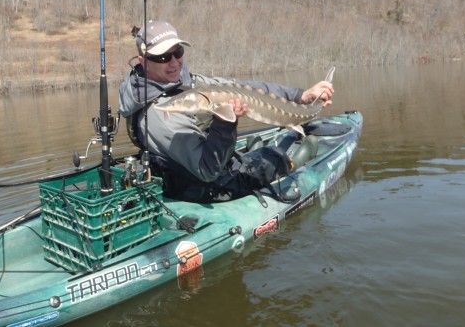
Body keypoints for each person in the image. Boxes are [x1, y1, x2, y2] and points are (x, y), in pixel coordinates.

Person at [118, 20, 333, 203]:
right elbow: (208, 171)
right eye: (163, 57)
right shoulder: (160, 115)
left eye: (178, 52)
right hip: (204, 186)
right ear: (143, 62)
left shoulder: (184, 83)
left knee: (253, 151)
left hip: (204, 162)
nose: (174, 62)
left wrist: (300, 96)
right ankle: (295, 159)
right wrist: (225, 122)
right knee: (273, 157)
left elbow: (244, 87)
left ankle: (259, 147)